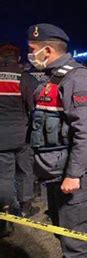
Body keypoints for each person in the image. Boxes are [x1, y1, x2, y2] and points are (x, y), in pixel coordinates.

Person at [27, 23, 87, 258]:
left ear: (47, 51)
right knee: (64, 234)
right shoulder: (52, 78)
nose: (28, 54)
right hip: (55, 172)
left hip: (70, 176)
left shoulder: (78, 79)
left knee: (78, 247)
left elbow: (86, 133)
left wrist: (74, 174)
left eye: (32, 49)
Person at [0, 43, 39, 236]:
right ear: (17, 58)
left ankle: (6, 212)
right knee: (25, 170)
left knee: (4, 176)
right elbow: (35, 107)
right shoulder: (24, 78)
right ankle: (25, 207)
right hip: (22, 136)